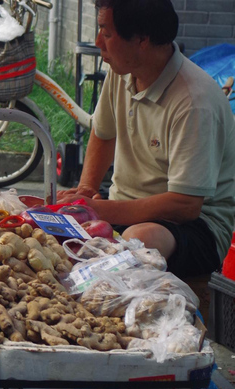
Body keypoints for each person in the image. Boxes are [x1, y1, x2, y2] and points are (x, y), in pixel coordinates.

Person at [57, 0, 235, 279]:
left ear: (141, 39)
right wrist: (86, 190)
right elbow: (103, 134)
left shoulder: (193, 101)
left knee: (139, 238)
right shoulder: (123, 72)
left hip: (194, 227)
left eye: (106, 32)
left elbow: (185, 205)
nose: (98, 42)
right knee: (56, 222)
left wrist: (102, 209)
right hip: (125, 210)